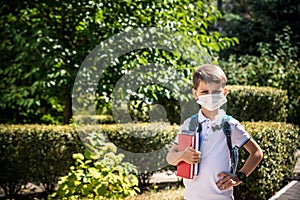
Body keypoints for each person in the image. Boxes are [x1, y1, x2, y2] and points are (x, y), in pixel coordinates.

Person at [166, 64, 263, 200]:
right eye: (205, 92)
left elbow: (256, 153)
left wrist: (238, 177)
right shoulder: (189, 124)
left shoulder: (230, 125)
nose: (210, 96)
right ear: (195, 94)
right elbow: (170, 157)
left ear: (224, 93)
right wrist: (183, 155)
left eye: (216, 92)